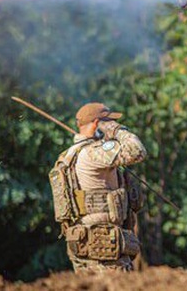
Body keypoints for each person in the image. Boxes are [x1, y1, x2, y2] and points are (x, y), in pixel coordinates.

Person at [49, 102, 147, 272]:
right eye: (109, 121)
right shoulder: (93, 152)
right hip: (104, 244)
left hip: (84, 242)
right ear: (97, 124)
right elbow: (137, 150)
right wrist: (117, 130)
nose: (113, 124)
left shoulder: (70, 154)